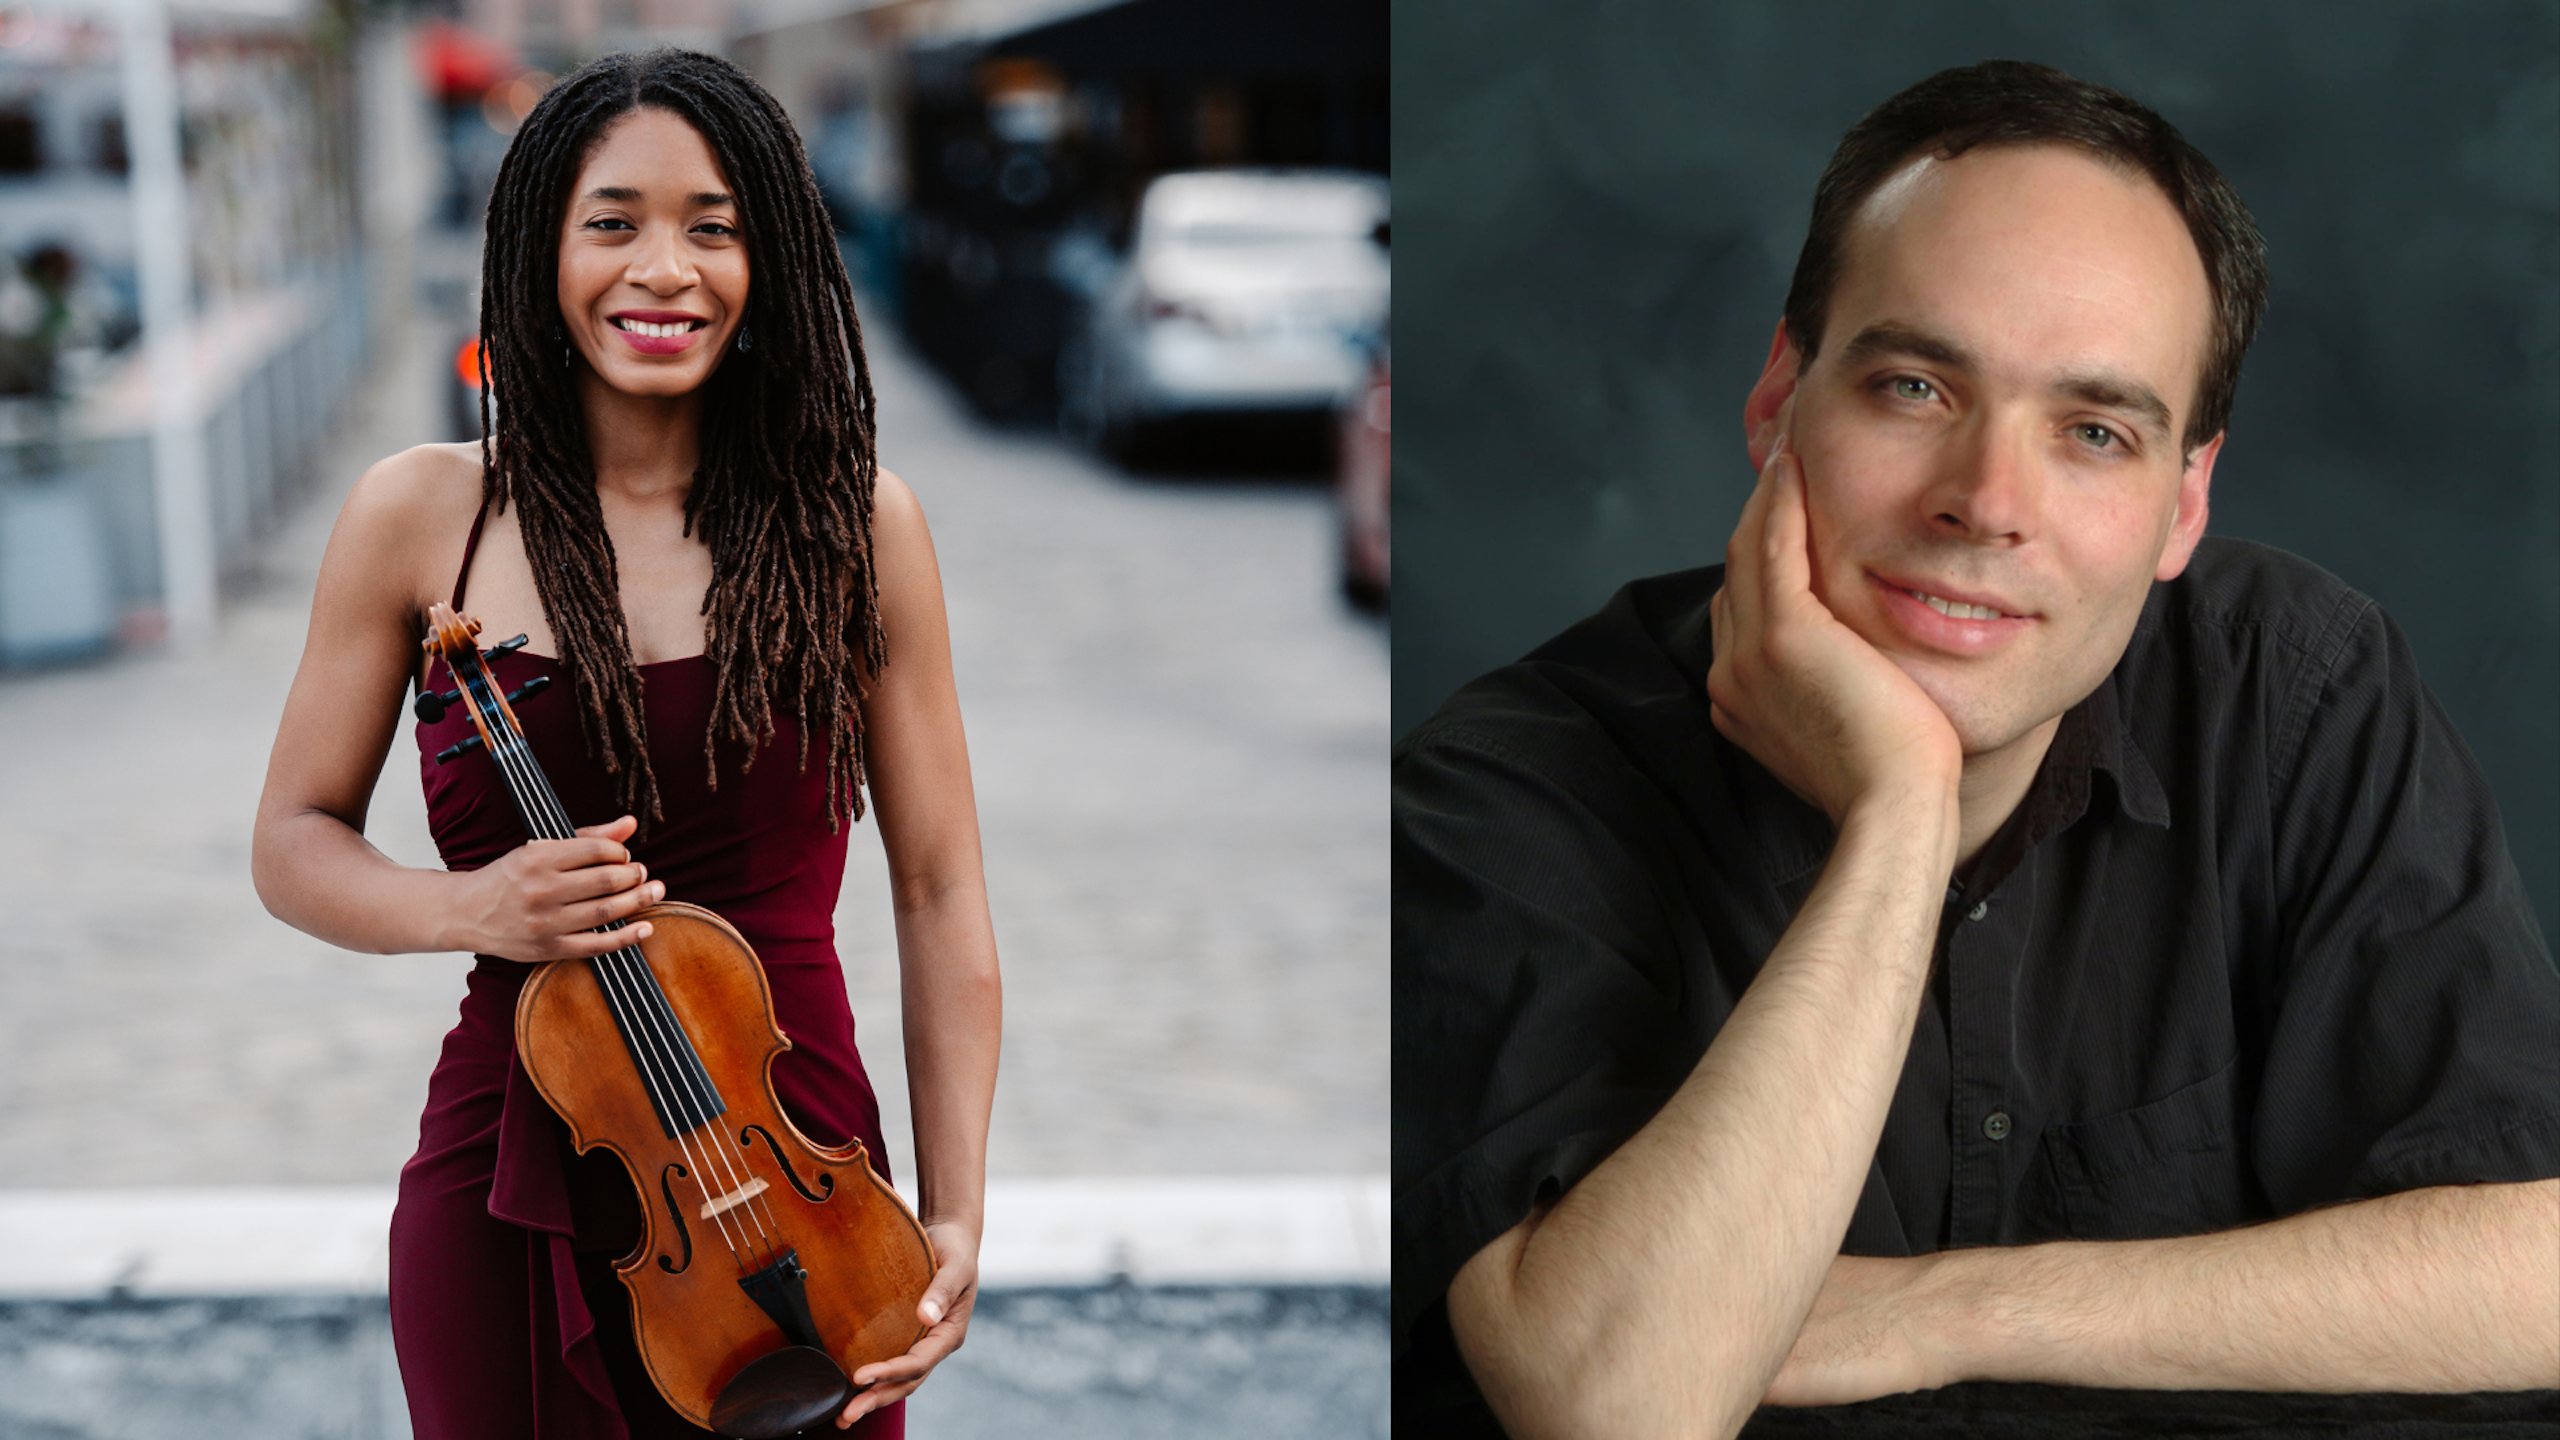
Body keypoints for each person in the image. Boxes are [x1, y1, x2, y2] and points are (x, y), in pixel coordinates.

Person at [1393, 60, 2560, 1440]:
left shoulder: (2293, 692)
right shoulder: (1508, 789)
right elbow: (1618, 1405)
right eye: (1914, 387)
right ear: (1780, 398)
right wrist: (1899, 811)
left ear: (2185, 502)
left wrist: (1949, 1312)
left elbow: (2531, 1268)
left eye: (2094, 432)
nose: (1988, 503)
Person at [251, 50, 1000, 1437]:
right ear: (541, 247)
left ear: (768, 257)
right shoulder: (423, 515)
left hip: (801, 1192)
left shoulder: (856, 525)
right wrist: (467, 906)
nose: (666, 269)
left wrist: (954, 1210)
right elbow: (291, 841)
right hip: (514, 1164)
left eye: (713, 226)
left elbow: (939, 887)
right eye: (613, 222)